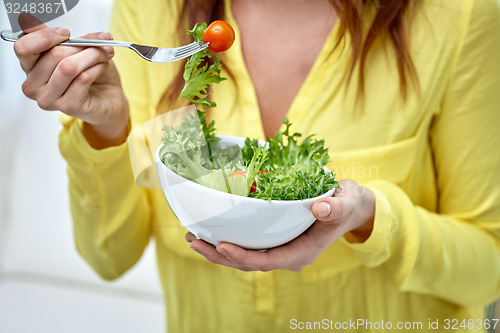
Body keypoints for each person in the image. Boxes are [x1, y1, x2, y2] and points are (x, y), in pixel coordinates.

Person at [12, 0, 500, 331]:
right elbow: (108, 256)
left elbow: (489, 268)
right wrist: (106, 127)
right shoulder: (156, 9)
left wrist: (371, 218)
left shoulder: (459, 16)